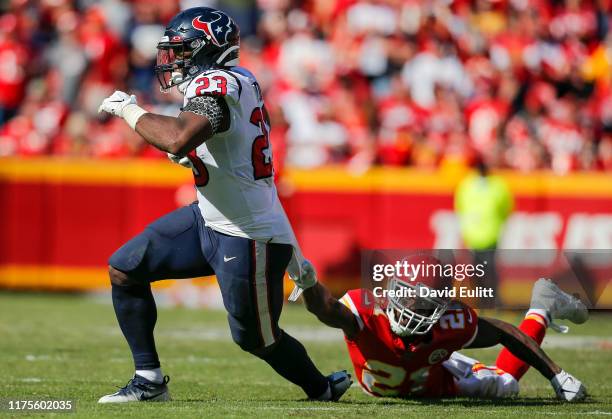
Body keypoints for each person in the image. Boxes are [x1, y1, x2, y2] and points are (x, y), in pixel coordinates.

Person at [96, 7, 351, 403]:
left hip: (248, 235)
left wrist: (129, 109)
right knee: (125, 268)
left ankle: (321, 387)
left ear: (207, 49)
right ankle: (148, 379)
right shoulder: (238, 78)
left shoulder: (218, 81)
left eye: (182, 50)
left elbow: (179, 137)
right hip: (209, 218)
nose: (173, 59)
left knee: (255, 338)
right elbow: (214, 139)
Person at [298, 258, 588, 401]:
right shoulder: (366, 314)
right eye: (406, 293)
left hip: (441, 382)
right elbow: (324, 307)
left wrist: (555, 374)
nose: (411, 304)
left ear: (440, 308)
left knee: (508, 385)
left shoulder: (449, 324)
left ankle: (543, 305)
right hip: (417, 378)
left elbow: (503, 332)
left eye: (422, 301)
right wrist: (308, 282)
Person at [455, 158, 513, 306]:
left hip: (481, 234)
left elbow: (460, 208)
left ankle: (488, 299)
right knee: (484, 269)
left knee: (483, 269)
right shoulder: (495, 185)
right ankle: (488, 299)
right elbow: (506, 207)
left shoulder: (468, 185)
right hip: (484, 234)